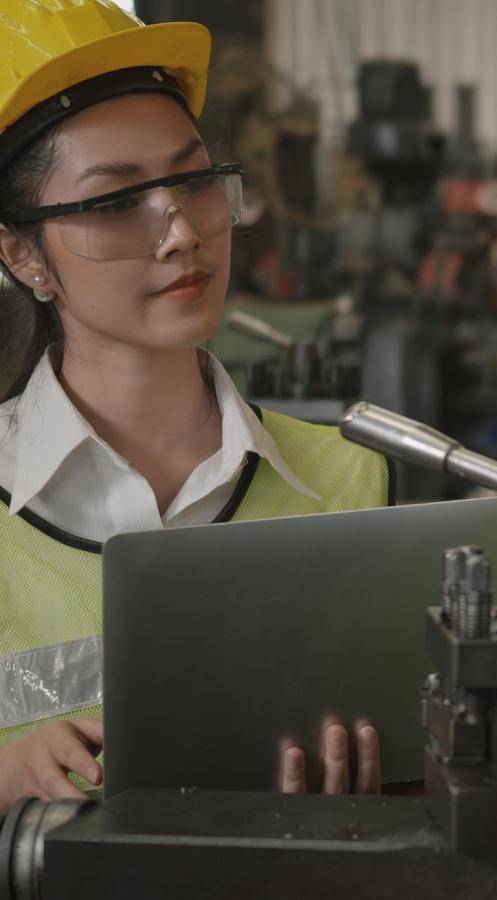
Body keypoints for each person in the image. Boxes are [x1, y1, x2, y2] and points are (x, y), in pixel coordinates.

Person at [0, 1, 390, 809]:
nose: (180, 232)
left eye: (194, 181)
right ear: (22, 254)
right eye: (112, 204)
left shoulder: (348, 482)